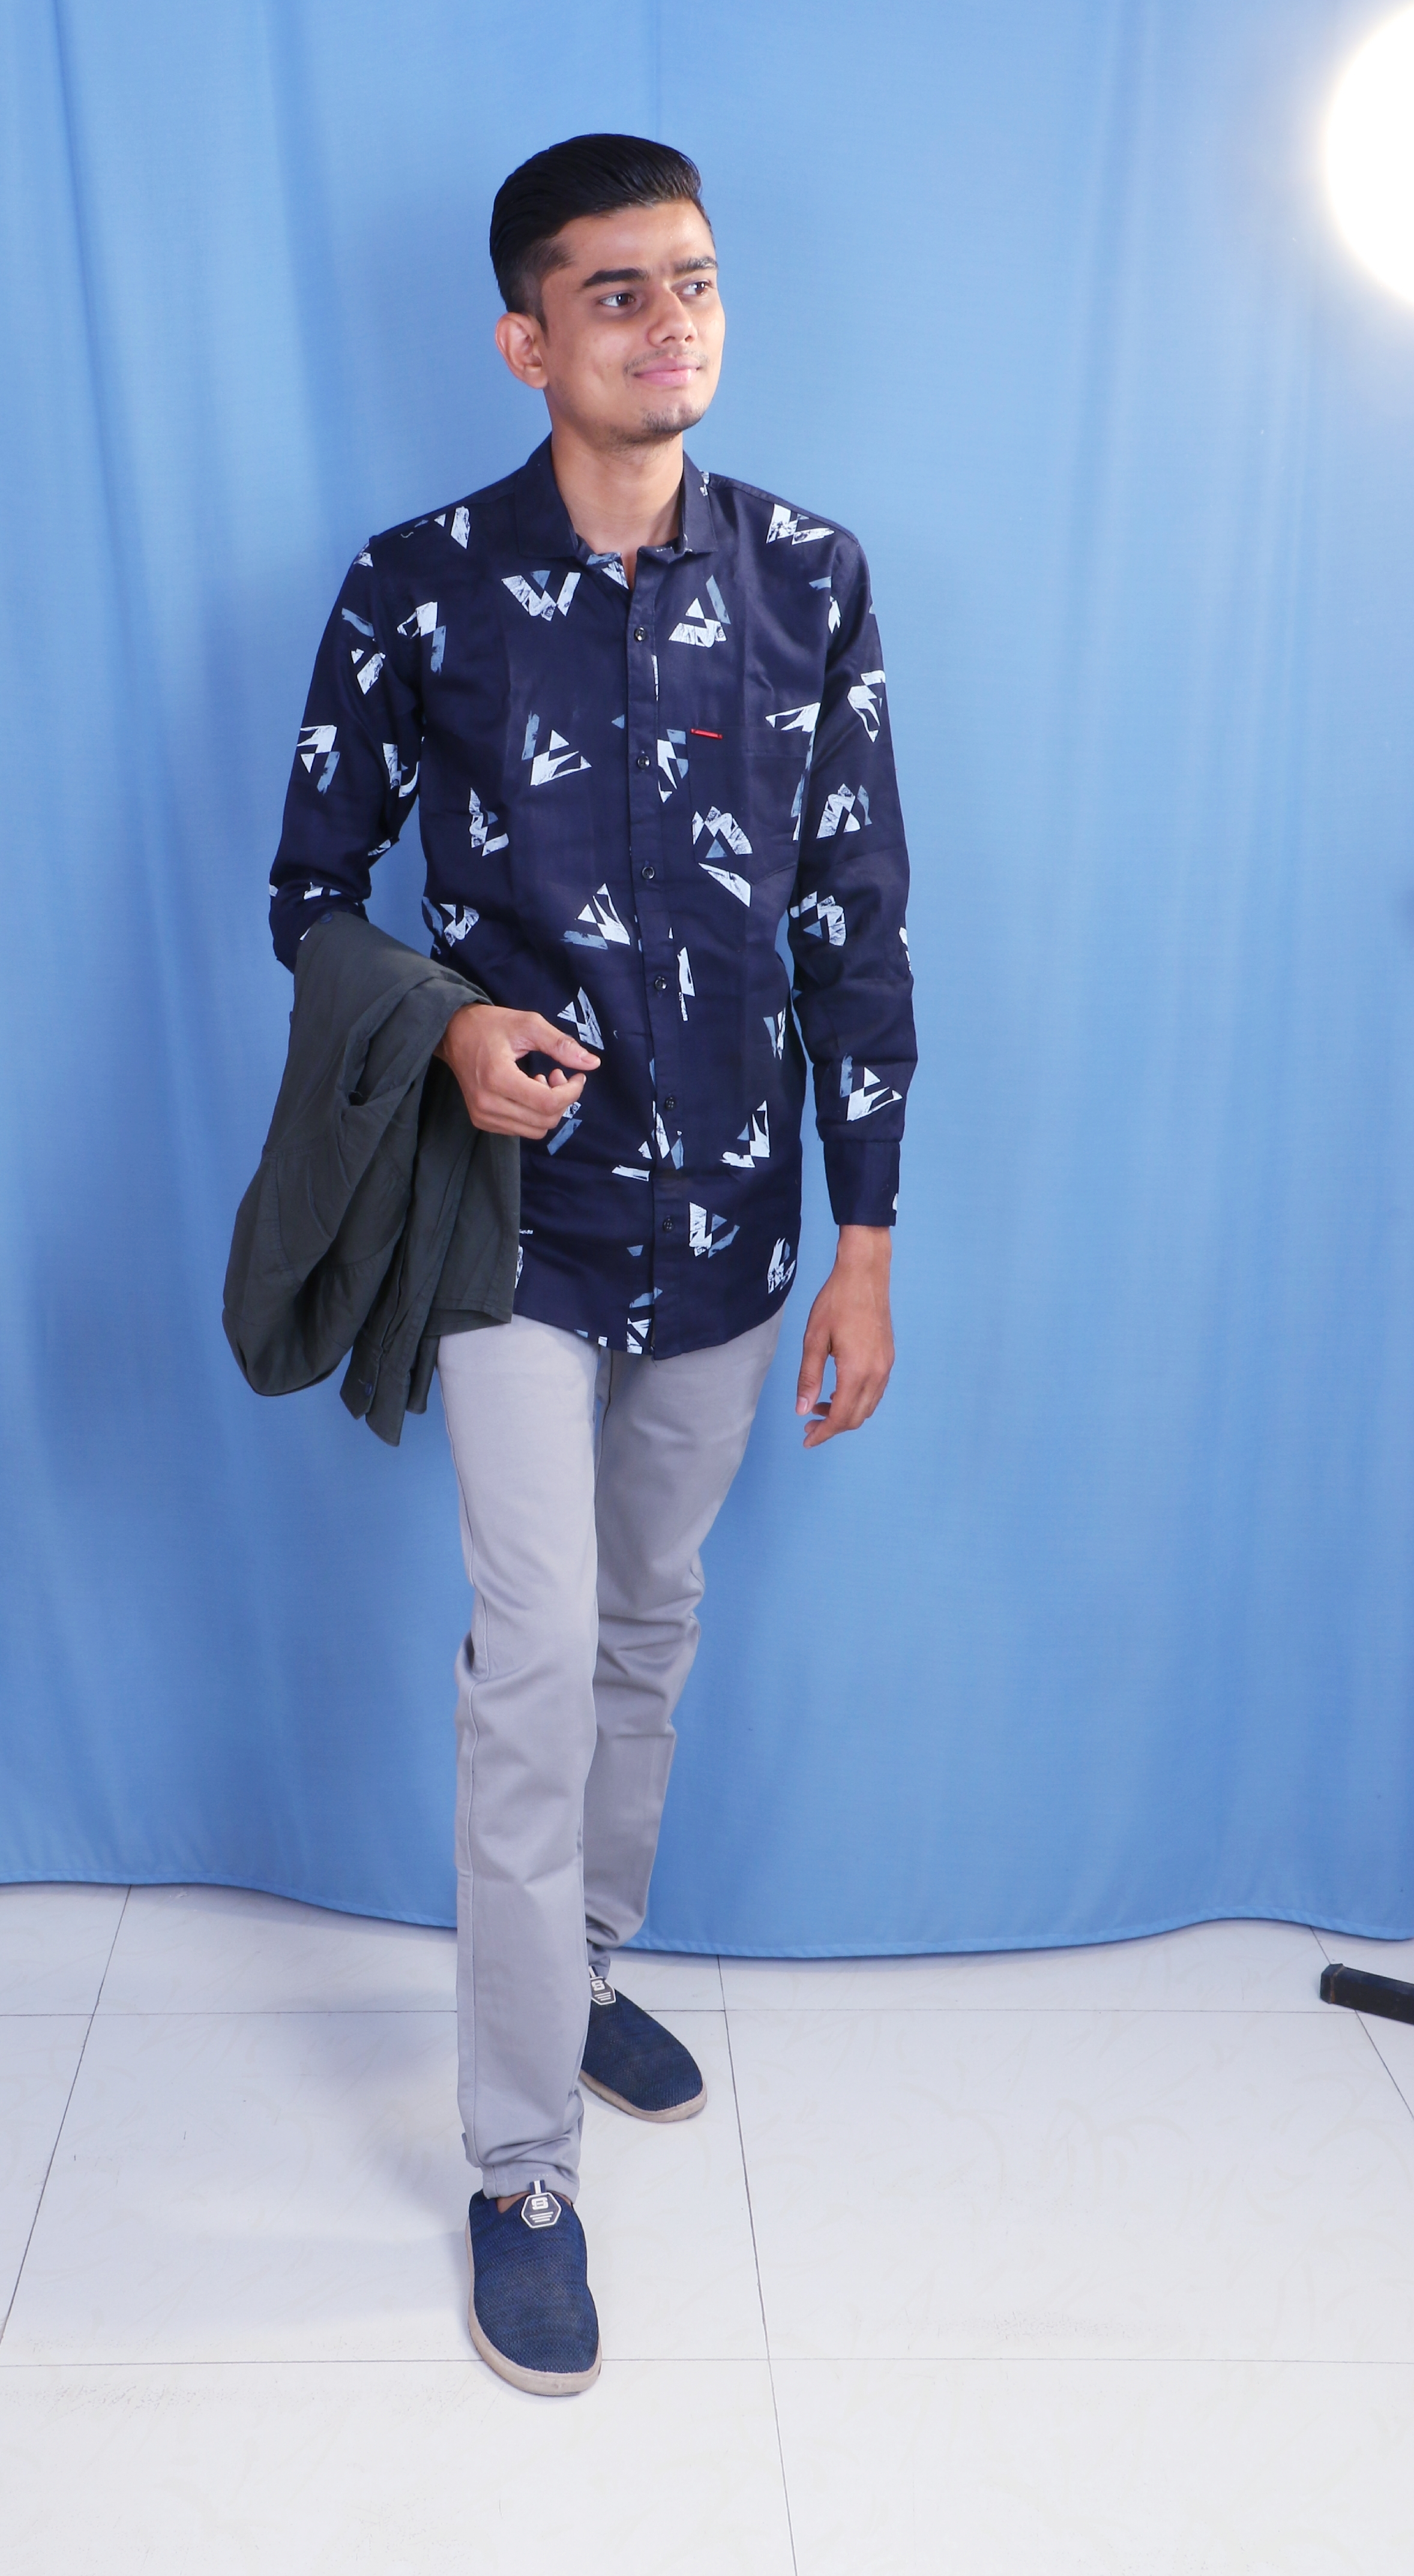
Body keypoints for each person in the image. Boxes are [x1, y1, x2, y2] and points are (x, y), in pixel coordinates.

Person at [268, 133, 915, 2396]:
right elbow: (310, 893)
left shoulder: (812, 576)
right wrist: (448, 1027)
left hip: (733, 1225)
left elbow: (857, 925)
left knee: (651, 1620)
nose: (670, 324)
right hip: (513, 1231)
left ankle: (590, 1963)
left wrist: (865, 1243)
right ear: (524, 338)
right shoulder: (419, 588)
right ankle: (519, 2163)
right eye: (617, 292)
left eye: (695, 282)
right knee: (534, 1659)